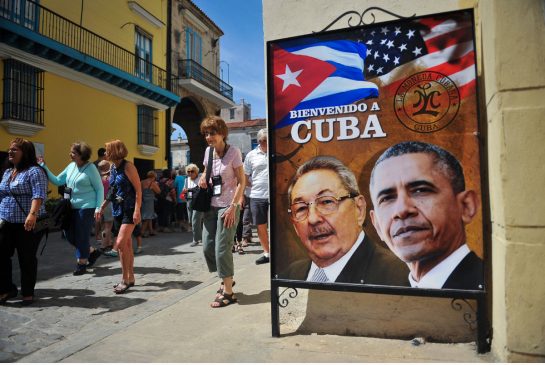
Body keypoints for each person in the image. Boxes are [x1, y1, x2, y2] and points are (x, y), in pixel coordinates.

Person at [369, 141, 483, 290]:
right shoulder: (387, 296)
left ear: (466, 206)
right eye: (387, 198)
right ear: (377, 225)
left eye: (420, 190)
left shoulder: (496, 290)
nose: (401, 210)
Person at [283, 155, 408, 285]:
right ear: (294, 225)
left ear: (359, 209)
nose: (313, 219)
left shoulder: (401, 277)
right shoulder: (291, 274)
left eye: (326, 202)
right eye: (301, 208)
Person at [198, 116, 245, 308]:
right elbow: (205, 172)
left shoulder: (233, 152)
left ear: (222, 133)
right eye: (206, 134)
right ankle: (227, 277)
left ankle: (228, 292)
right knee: (208, 247)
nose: (209, 137)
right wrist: (202, 178)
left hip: (229, 206)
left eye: (213, 133)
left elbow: (242, 181)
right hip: (211, 204)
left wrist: (234, 206)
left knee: (222, 248)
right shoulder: (208, 152)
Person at [40, 141, 103, 275]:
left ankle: (81, 263)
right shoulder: (71, 166)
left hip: (87, 207)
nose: (70, 154)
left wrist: (98, 207)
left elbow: (99, 188)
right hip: (70, 206)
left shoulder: (91, 168)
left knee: (81, 235)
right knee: (68, 234)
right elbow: (58, 180)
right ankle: (92, 252)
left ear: (81, 154)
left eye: (73, 152)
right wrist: (44, 167)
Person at [0, 138, 48, 306]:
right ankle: (6, 289)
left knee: (26, 258)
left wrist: (32, 214)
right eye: (10, 149)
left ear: (25, 153)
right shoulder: (8, 172)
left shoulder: (35, 171)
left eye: (15, 150)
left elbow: (39, 194)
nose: (10, 152)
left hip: (27, 223)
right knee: (2, 255)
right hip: (6, 221)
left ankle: (27, 293)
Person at [97, 140, 142, 294]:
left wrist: (137, 210)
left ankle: (124, 279)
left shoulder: (128, 166)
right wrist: (102, 206)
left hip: (129, 210)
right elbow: (112, 190)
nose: (105, 153)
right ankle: (130, 277)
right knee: (127, 246)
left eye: (107, 150)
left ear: (115, 151)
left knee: (121, 243)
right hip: (118, 210)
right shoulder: (113, 168)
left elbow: (138, 190)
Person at [243, 129, 270, 264]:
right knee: (260, 225)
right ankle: (267, 253)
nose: (263, 143)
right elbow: (244, 177)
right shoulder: (251, 155)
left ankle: (279, 252)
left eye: (265, 140)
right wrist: (252, 187)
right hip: (257, 195)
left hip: (274, 194)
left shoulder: (276, 151)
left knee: (279, 225)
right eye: (260, 141)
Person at [182, 163, 203, 247]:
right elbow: (184, 189)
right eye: (188, 171)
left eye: (192, 171)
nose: (190, 173)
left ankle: (196, 239)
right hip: (189, 201)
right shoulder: (186, 180)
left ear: (196, 172)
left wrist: (190, 190)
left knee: (195, 220)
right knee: (191, 220)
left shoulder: (200, 178)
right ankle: (200, 237)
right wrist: (184, 191)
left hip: (198, 201)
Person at [97, 160, 114, 254]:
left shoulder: (99, 178)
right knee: (108, 225)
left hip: (100, 202)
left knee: (104, 225)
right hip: (108, 203)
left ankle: (108, 242)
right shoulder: (110, 178)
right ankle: (104, 245)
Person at [140, 170, 160, 238]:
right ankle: (142, 232)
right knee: (148, 217)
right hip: (149, 201)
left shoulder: (142, 182)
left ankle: (151, 231)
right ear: (154, 176)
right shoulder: (152, 183)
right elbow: (158, 191)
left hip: (143, 200)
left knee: (149, 216)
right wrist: (156, 184)